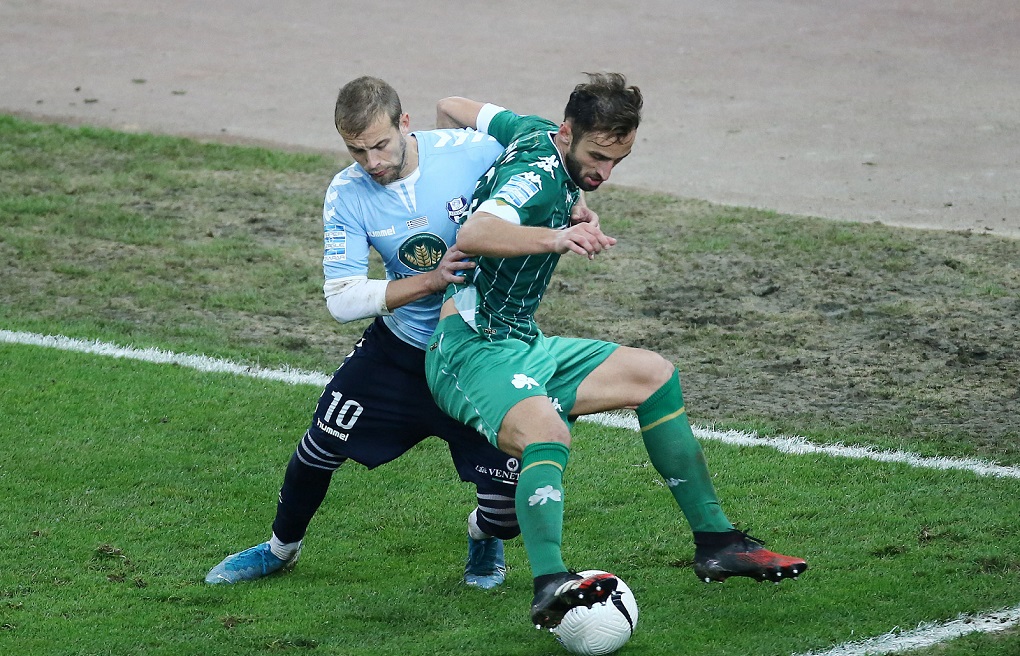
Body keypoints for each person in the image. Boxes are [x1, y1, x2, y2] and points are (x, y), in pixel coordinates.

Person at [426, 72, 808, 629]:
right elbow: (476, 233)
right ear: (567, 133)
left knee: (653, 374)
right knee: (548, 435)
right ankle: (549, 581)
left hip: (524, 341)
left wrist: (561, 195)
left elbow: (449, 107)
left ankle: (717, 542)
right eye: (597, 157)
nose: (605, 172)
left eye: (617, 160)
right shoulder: (532, 177)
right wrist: (557, 234)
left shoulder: (531, 131)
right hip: (471, 348)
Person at [205, 76, 521, 590]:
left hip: (477, 354)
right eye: (357, 150)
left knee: (508, 509)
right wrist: (432, 281)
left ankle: (483, 536)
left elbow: (544, 161)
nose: (372, 162)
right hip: (400, 352)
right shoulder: (347, 192)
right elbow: (343, 298)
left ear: (404, 123)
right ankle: (280, 549)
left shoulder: (472, 150)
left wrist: (570, 205)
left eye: (380, 145)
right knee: (319, 446)